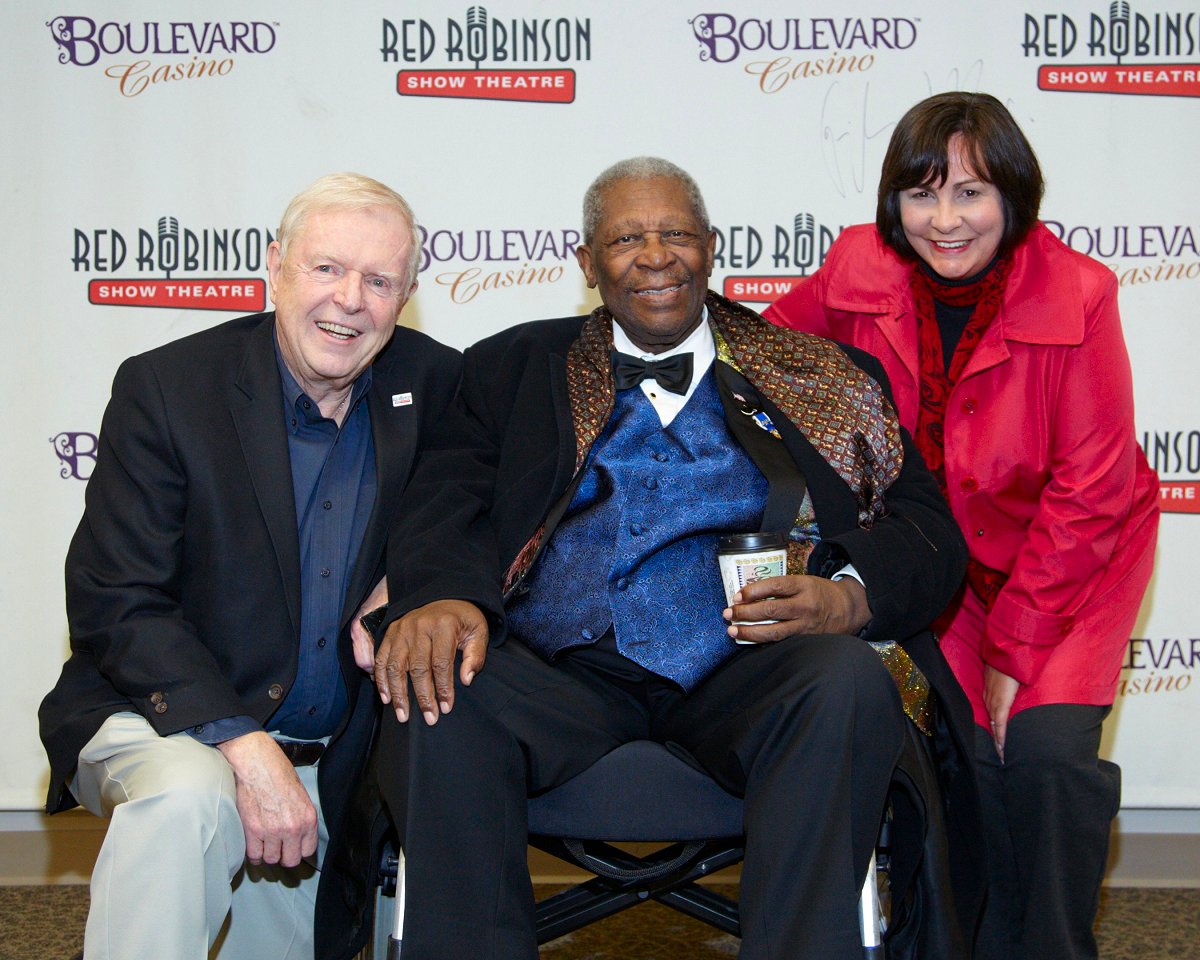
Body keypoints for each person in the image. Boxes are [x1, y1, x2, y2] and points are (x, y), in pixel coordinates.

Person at [369, 157, 976, 960]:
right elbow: (442, 500)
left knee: (846, 682)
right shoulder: (509, 368)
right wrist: (442, 594)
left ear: (712, 248)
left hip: (744, 671)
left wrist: (846, 596)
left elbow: (927, 529)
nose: (655, 256)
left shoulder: (821, 375)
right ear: (587, 263)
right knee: (438, 686)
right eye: (626, 238)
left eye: (676, 234)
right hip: (560, 672)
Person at [765, 92, 1160, 960]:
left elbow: (1090, 489)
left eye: (971, 193)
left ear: (1013, 196)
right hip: (944, 562)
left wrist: (1015, 654)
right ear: (893, 203)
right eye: (922, 194)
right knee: (972, 757)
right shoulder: (857, 267)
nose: (945, 221)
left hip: (1072, 557)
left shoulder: (1081, 293)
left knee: (1048, 753)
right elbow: (765, 355)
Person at [39, 172, 462, 960]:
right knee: (186, 801)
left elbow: (488, 520)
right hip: (160, 714)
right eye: (327, 268)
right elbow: (116, 599)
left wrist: (413, 577)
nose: (349, 301)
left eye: (379, 281)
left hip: (329, 754)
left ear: (405, 296)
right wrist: (239, 743)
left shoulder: (437, 386)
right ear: (275, 266)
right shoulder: (169, 388)